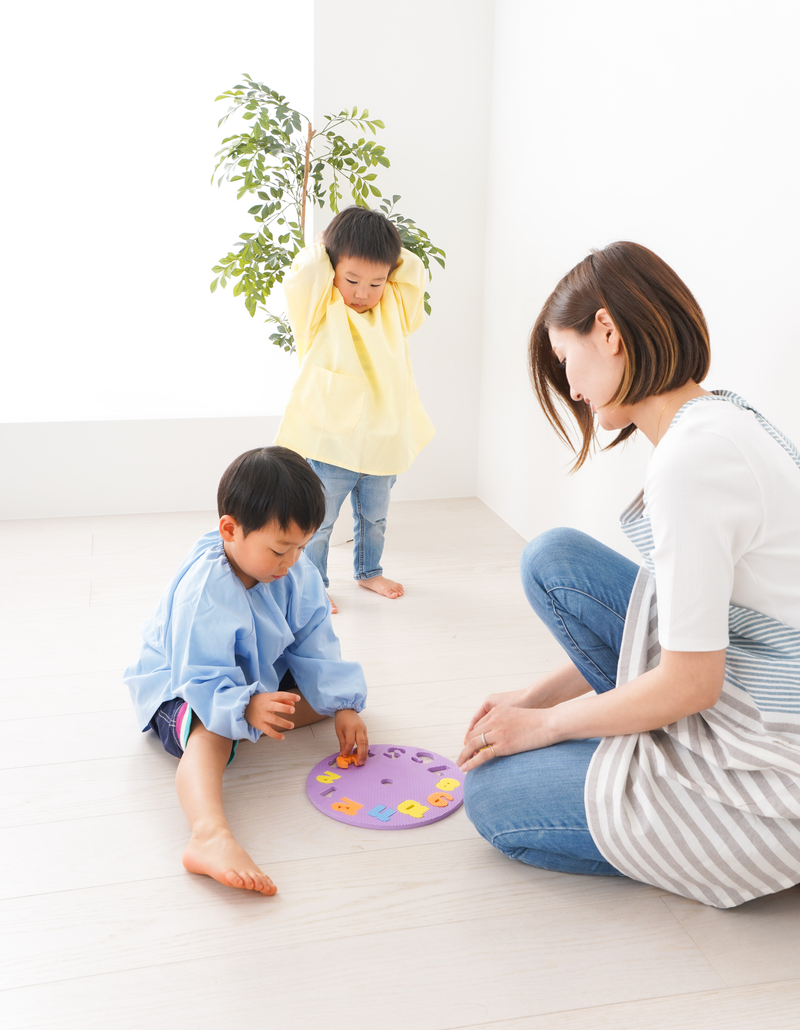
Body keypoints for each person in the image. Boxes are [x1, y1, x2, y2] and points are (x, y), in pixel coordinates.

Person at [459, 241, 800, 909]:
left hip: (772, 760)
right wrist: (534, 698)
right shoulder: (721, 418)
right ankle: (633, 741)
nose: (573, 390)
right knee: (553, 559)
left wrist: (547, 727)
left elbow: (691, 681)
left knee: (494, 798)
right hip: (752, 681)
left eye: (567, 361)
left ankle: (716, 823)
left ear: (607, 331)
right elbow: (667, 614)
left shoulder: (692, 463)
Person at [123, 446, 368, 896]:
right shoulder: (206, 591)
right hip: (183, 684)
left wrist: (343, 706)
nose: (292, 560)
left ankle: (253, 718)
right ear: (230, 530)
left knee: (328, 691)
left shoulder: (293, 570)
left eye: (301, 546)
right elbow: (200, 675)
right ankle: (208, 836)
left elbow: (314, 640)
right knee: (210, 733)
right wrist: (243, 704)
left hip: (252, 677)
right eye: (279, 549)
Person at [275, 206, 434, 612]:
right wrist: (331, 249)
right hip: (331, 443)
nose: (363, 293)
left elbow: (412, 269)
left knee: (375, 518)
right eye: (351, 280)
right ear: (332, 271)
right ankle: (312, 585)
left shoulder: (394, 308)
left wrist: (382, 251)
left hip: (382, 442)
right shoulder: (320, 308)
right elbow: (306, 270)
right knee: (320, 523)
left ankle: (369, 571)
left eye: (376, 282)